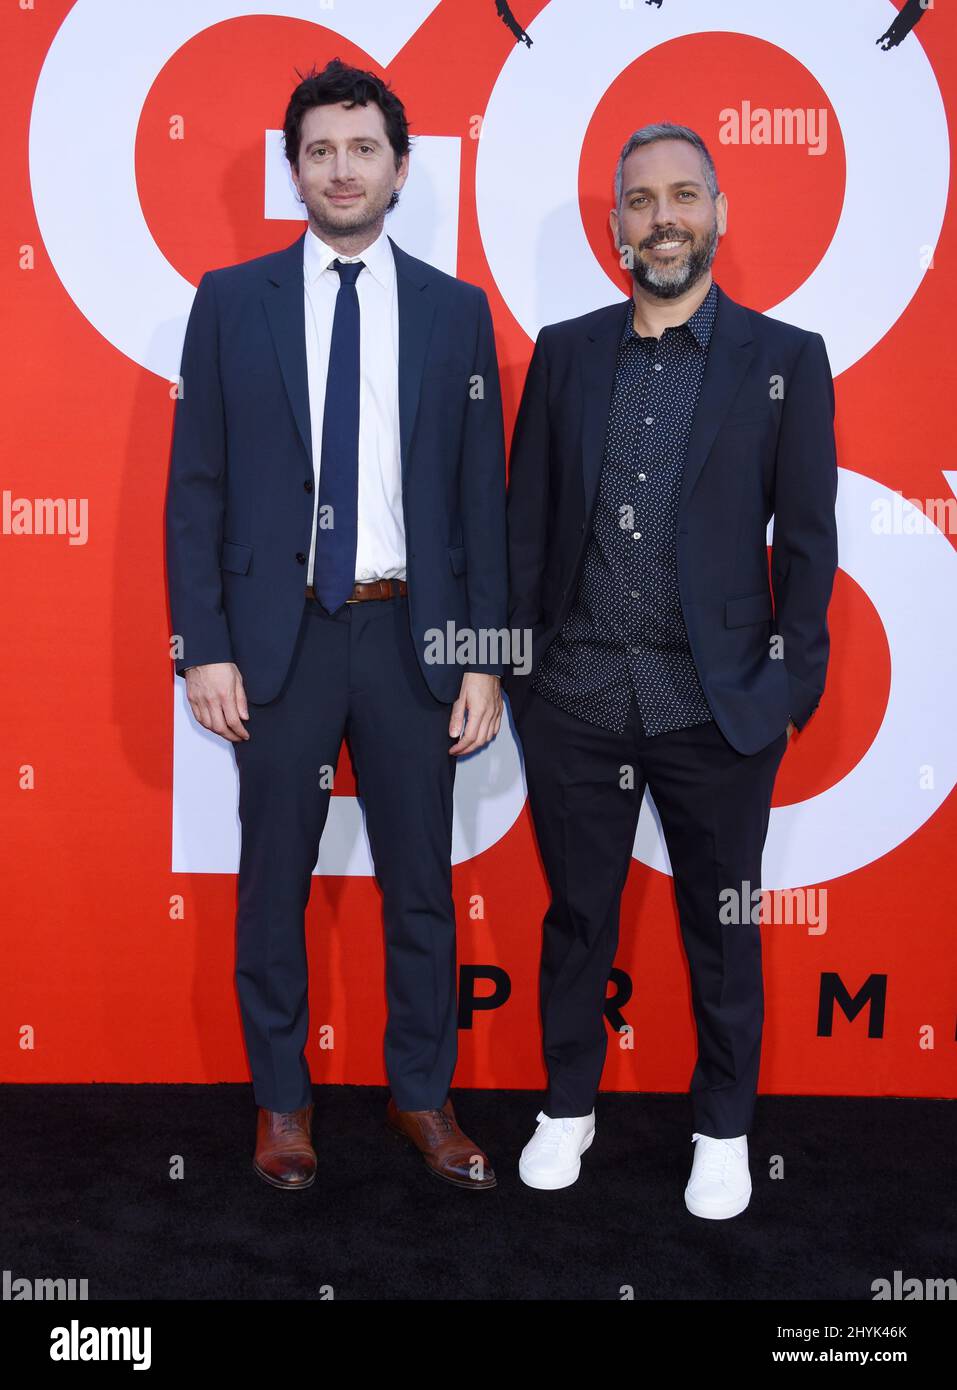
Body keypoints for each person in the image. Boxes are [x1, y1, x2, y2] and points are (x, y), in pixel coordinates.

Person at [165, 59, 507, 1193]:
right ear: (294, 169)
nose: (343, 167)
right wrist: (204, 644)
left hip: (413, 637)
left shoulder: (456, 313)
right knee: (273, 882)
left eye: (364, 148)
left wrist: (484, 659)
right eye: (321, 150)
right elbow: (197, 486)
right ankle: (281, 1106)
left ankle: (424, 1099)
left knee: (419, 884)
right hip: (282, 644)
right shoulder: (230, 301)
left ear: (401, 168)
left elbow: (478, 505)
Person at [504, 122, 838, 1217]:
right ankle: (567, 1105)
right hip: (580, 698)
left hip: (717, 702)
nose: (664, 217)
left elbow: (808, 546)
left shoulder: (786, 361)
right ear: (616, 228)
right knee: (577, 916)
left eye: (684, 195)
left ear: (718, 214)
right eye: (641, 200)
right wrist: (521, 676)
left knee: (722, 920)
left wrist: (786, 688)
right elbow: (525, 530)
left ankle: (724, 1127)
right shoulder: (564, 352)